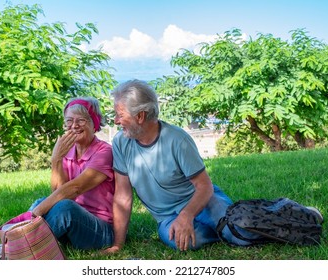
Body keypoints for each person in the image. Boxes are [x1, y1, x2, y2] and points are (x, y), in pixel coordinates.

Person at [104, 79, 265, 253]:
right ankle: (220, 230)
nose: (116, 121)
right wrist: (117, 244)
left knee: (239, 233)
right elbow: (123, 196)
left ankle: (235, 225)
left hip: (202, 202)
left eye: (120, 115)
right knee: (184, 242)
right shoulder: (121, 143)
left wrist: (187, 214)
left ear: (140, 116)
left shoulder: (177, 140)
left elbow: (204, 186)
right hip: (167, 217)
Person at [28, 96, 115, 250]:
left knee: (61, 207)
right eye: (69, 121)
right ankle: (13, 243)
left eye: (81, 120)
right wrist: (56, 159)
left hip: (101, 231)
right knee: (42, 201)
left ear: (94, 123)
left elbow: (75, 189)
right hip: (74, 222)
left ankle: (18, 249)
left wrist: (37, 212)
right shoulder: (68, 152)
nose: (74, 125)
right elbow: (57, 192)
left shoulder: (104, 151)